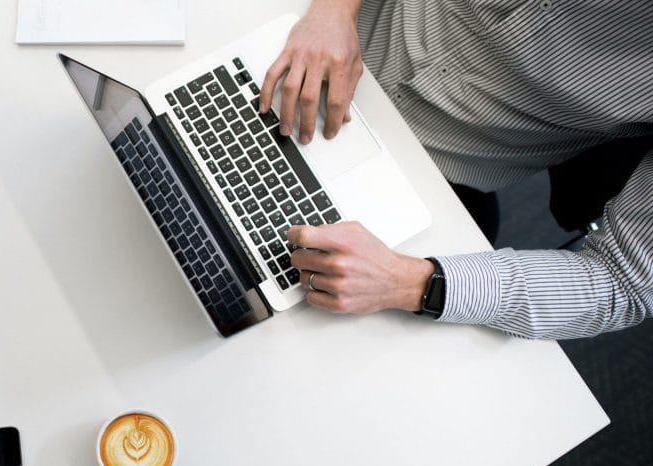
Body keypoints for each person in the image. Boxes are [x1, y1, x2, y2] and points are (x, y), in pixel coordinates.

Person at [262, 0, 653, 338]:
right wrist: (334, 11)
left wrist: (409, 282)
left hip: (430, 175)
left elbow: (623, 282)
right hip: (320, 30)